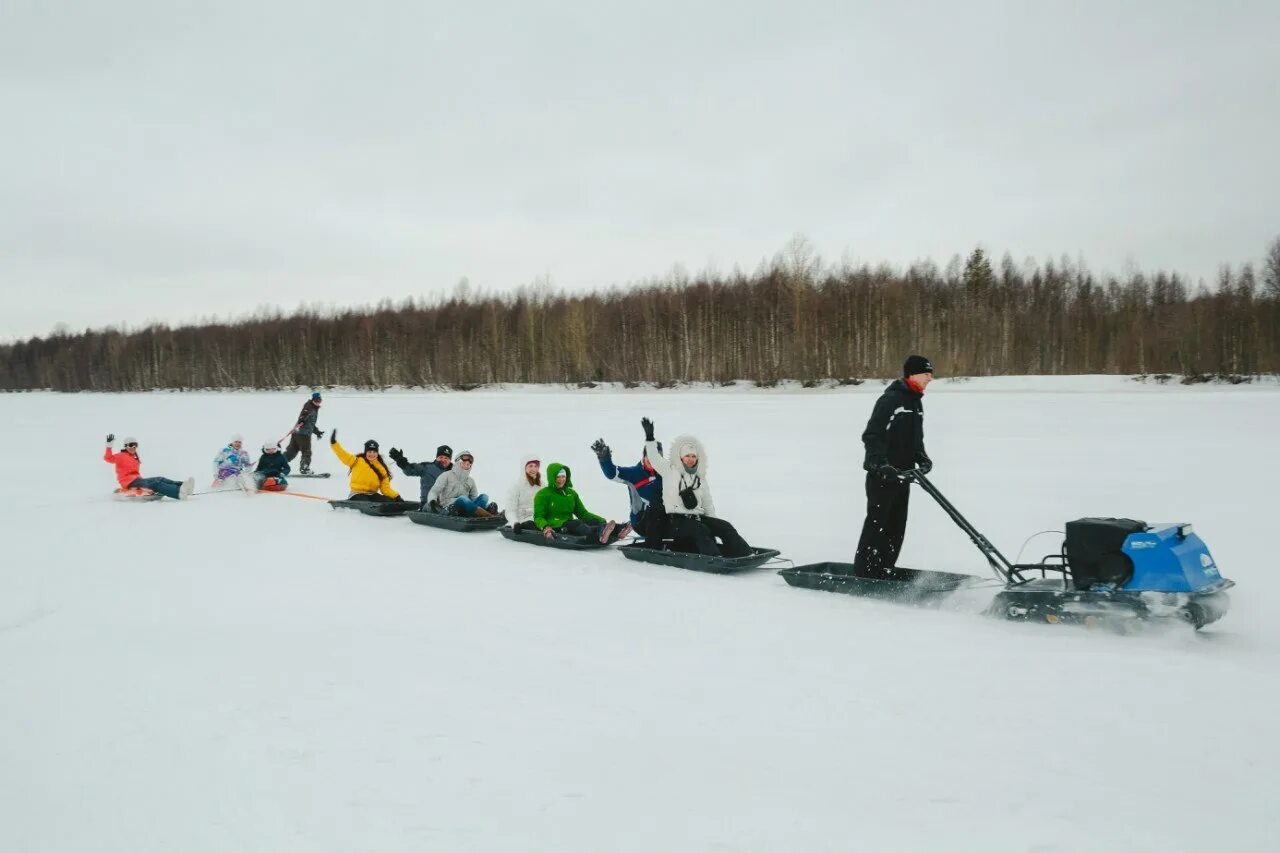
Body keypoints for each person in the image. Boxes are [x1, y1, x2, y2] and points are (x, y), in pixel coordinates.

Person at [852, 354, 935, 577]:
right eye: (926, 374)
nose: (930, 378)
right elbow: (872, 435)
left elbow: (915, 439)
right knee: (878, 524)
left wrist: (922, 457)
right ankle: (866, 573)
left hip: (903, 475)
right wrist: (880, 463)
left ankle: (885, 567)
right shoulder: (891, 400)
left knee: (897, 525)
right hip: (883, 475)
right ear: (912, 374)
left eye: (931, 374)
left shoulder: (915, 402)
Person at [641, 417, 750, 557]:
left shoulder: (700, 477)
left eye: (693, 456)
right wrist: (650, 438)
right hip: (675, 523)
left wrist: (715, 525)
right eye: (687, 456)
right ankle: (714, 558)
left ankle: (745, 554)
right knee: (699, 530)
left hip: (697, 518)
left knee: (725, 526)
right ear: (680, 457)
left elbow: (707, 504)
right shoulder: (670, 470)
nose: (691, 459)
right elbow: (654, 458)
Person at [592, 434, 666, 546]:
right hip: (642, 521)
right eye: (650, 456)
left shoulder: (666, 472)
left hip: (663, 519)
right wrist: (604, 459)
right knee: (654, 509)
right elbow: (612, 474)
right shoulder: (635, 473)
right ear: (644, 456)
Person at [533, 463, 630, 544]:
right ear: (552, 477)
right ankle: (601, 532)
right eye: (558, 477)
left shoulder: (571, 493)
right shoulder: (543, 494)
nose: (561, 479)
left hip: (569, 523)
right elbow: (538, 517)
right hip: (556, 525)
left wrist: (601, 520)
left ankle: (619, 529)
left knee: (592, 521)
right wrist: (546, 527)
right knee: (578, 524)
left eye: (563, 476)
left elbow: (583, 513)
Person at [103, 434, 194, 500]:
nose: (134, 447)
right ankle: (178, 492)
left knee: (160, 478)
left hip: (136, 480)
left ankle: (184, 486)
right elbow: (108, 458)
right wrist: (109, 446)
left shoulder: (134, 457)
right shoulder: (120, 456)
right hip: (129, 482)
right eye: (131, 445)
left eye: (135, 445)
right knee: (156, 483)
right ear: (126, 446)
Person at [329, 430, 402, 502]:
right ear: (365, 452)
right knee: (365, 502)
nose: (372, 454)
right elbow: (343, 454)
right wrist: (334, 443)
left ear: (377, 453)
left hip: (372, 495)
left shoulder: (382, 468)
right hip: (357, 494)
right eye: (369, 451)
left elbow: (385, 488)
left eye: (374, 452)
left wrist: (395, 496)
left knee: (387, 501)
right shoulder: (357, 461)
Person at [426, 450, 498, 517]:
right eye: (463, 463)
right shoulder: (446, 475)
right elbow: (434, 491)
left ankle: (482, 512)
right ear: (457, 462)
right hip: (450, 507)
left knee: (484, 497)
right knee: (463, 498)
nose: (466, 465)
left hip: (467, 507)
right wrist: (432, 501)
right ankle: (488, 515)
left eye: (468, 464)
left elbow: (474, 499)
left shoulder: (470, 481)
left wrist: (487, 506)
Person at [388, 444, 453, 505]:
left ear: (450, 460)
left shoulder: (455, 472)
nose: (443, 460)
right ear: (436, 457)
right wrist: (401, 461)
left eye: (446, 458)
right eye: (441, 457)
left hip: (447, 504)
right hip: (429, 504)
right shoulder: (427, 468)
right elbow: (409, 470)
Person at [285, 391, 325, 474]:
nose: (318, 402)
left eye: (319, 401)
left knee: (291, 451)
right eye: (317, 401)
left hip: (297, 433)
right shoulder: (309, 406)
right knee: (306, 451)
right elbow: (304, 414)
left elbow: (310, 423)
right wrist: (302, 420)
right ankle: (304, 468)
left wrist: (317, 432)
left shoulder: (312, 407)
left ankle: (279, 464)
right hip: (304, 434)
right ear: (313, 400)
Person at [506, 456, 543, 532]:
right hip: (523, 520)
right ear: (524, 468)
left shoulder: (541, 484)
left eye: (536, 466)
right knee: (530, 524)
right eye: (530, 466)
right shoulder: (516, 485)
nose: (534, 469)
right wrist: (515, 523)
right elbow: (510, 510)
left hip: (540, 518)